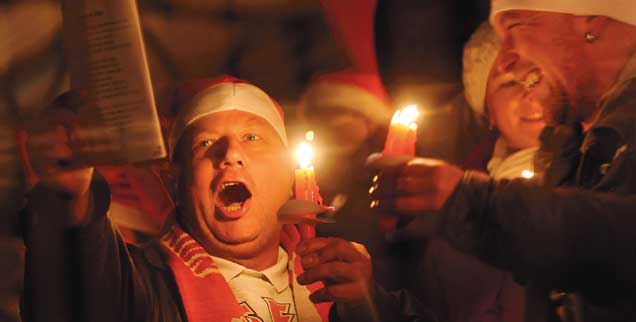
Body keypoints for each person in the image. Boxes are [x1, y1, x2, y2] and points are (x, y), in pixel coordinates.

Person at [20, 77, 379, 322]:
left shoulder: (341, 278)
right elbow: (75, 293)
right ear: (175, 182)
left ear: (291, 176)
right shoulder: (140, 285)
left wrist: (368, 308)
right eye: (205, 144)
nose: (230, 154)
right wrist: (69, 197)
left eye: (252, 138)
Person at [370, 1, 636, 321]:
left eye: (515, 26)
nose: (507, 57)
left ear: (590, 18)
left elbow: (622, 239)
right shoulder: (573, 149)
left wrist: (470, 204)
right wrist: (366, 304)